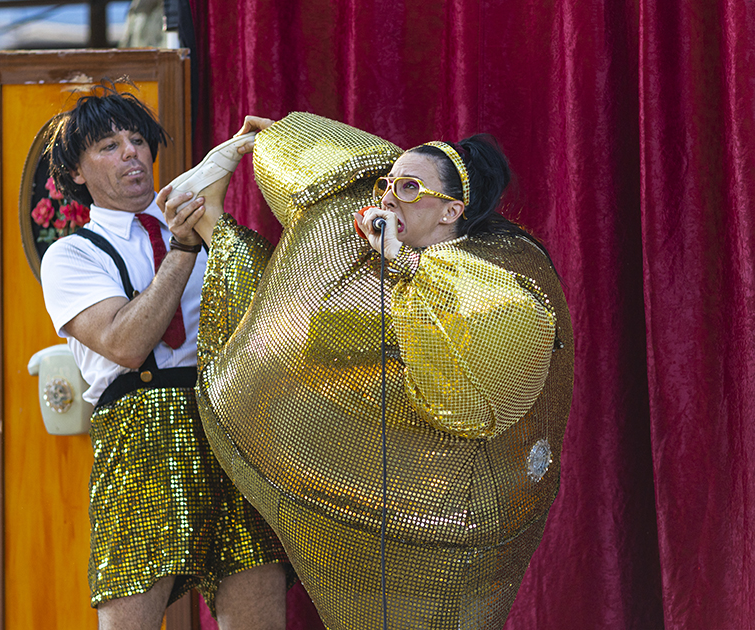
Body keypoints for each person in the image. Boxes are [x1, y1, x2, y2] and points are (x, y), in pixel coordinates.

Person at [174, 112, 574, 630]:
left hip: (460, 524)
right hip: (380, 513)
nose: (387, 196)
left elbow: (482, 384)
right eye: (386, 184)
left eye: (409, 188)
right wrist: (266, 147)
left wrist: (400, 262)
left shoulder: (502, 268)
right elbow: (291, 325)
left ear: (452, 210)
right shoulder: (368, 266)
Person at [38, 88, 288, 630]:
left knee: (259, 612)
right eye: (109, 145)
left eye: (137, 141)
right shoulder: (71, 254)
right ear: (77, 172)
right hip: (139, 433)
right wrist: (181, 250)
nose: (131, 153)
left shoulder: (204, 221)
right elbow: (126, 343)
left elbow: (278, 312)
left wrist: (265, 155)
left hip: (229, 424)